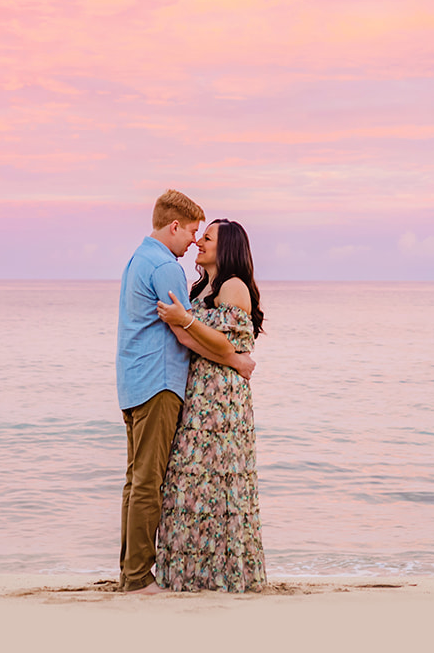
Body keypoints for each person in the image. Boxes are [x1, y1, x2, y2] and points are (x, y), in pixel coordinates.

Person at [116, 191, 254, 594]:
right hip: (159, 384)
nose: (194, 241)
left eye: (204, 237)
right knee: (147, 483)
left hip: (139, 384)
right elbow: (182, 330)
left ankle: (132, 573)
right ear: (174, 226)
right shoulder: (165, 266)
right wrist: (235, 360)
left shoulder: (138, 260)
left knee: (138, 481)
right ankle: (139, 578)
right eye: (195, 231)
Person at [153, 218, 267, 592]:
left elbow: (222, 344)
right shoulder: (203, 288)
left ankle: (224, 576)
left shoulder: (234, 287)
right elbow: (195, 344)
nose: (199, 242)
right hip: (202, 394)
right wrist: (228, 354)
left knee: (219, 484)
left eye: (208, 237)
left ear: (228, 246)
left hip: (222, 401)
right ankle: (192, 575)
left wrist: (185, 319)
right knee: (190, 483)